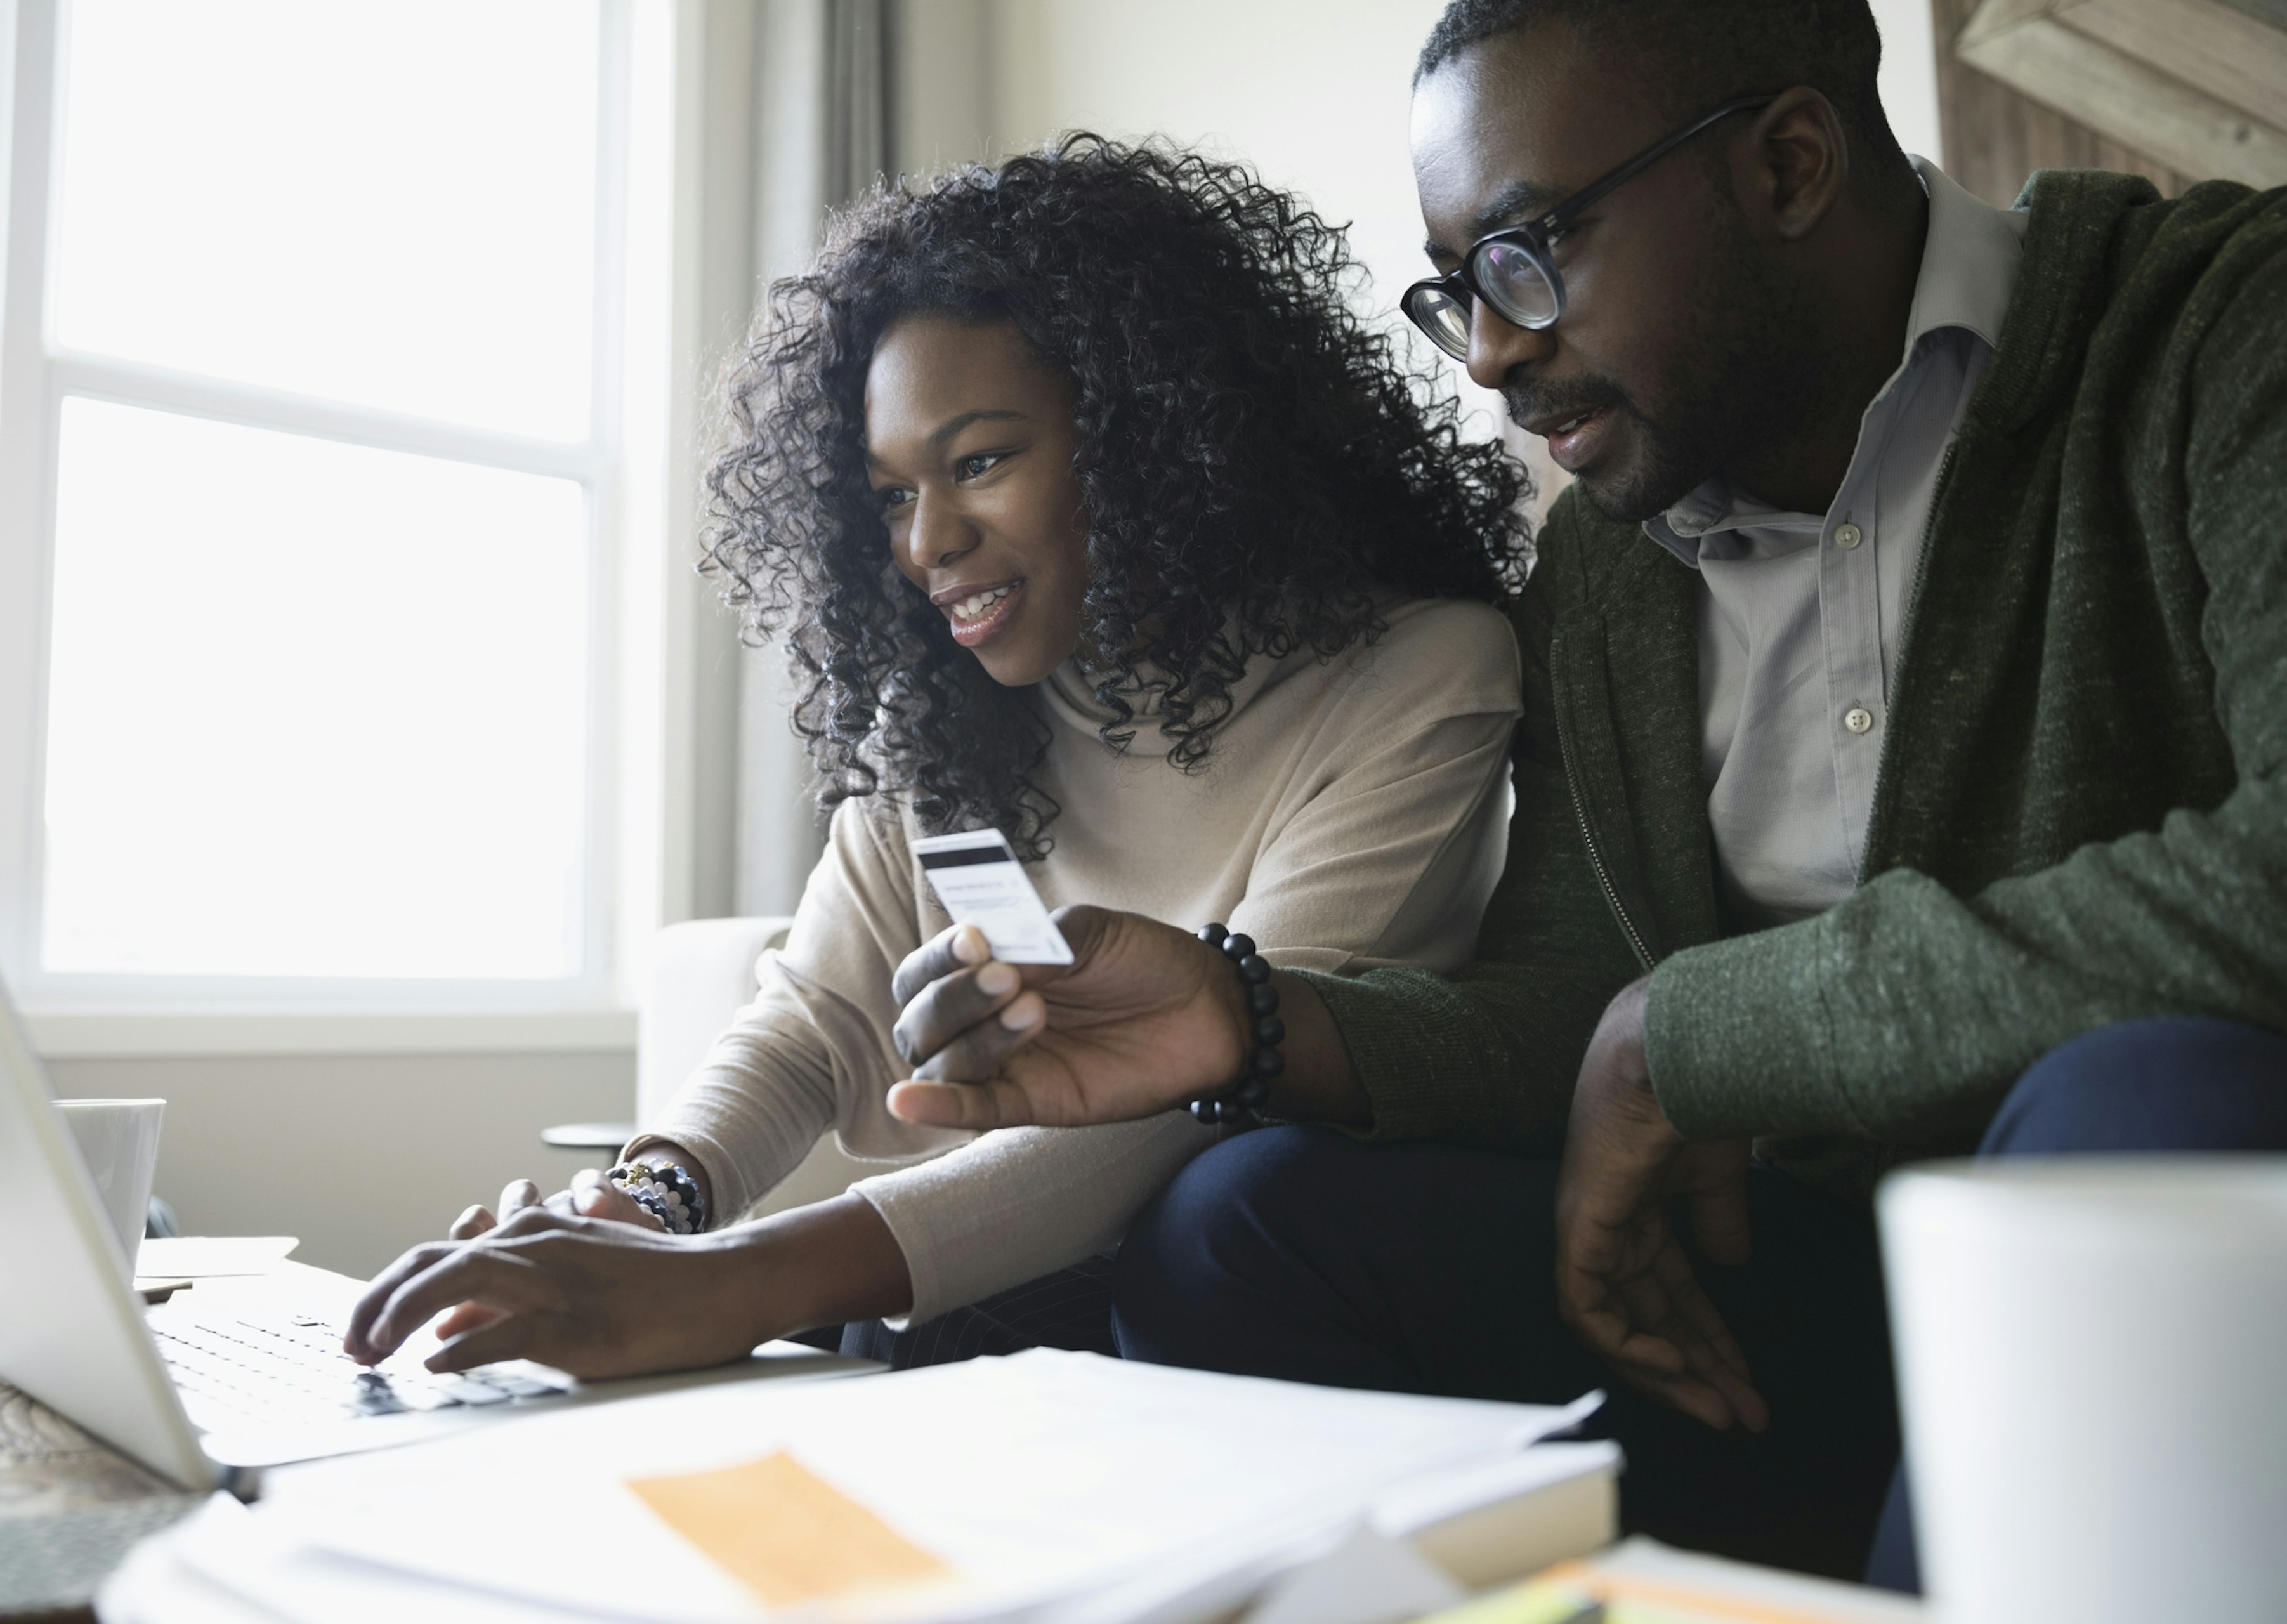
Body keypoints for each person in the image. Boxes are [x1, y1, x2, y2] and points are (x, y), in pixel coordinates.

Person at [870, 0, 2287, 1587]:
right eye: (1458, 289)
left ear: (1791, 164)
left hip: (2142, 1294)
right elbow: (1573, 997)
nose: (1490, 350)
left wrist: (1692, 1032)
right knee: (1237, 1217)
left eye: (1530, 252)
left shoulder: (2222, 333)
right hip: (1772, 1316)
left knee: (2157, 1106)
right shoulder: (1613, 561)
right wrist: (1251, 1019)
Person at [344, 138, 1532, 1379]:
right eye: (891, 496)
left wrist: (729, 1281)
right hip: (1018, 1273)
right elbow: (812, 1020)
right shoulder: (953, 719)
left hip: (1245, 1277)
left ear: (1158, 435)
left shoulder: (1417, 677)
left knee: (900, 1309)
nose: (930, 542)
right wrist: (646, 1205)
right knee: (844, 1339)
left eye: (978, 462)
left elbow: (1201, 1088)